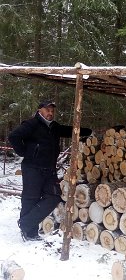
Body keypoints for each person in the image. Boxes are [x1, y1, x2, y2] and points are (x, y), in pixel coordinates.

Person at [8, 100, 92, 241]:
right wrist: (24, 152)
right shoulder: (31, 124)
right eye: (47, 110)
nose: (50, 113)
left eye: (52, 110)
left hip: (49, 169)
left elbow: (70, 130)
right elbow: (13, 136)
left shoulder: (54, 127)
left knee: (54, 196)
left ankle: (25, 223)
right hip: (32, 168)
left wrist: (88, 131)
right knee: (31, 199)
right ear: (40, 110)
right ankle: (30, 233)